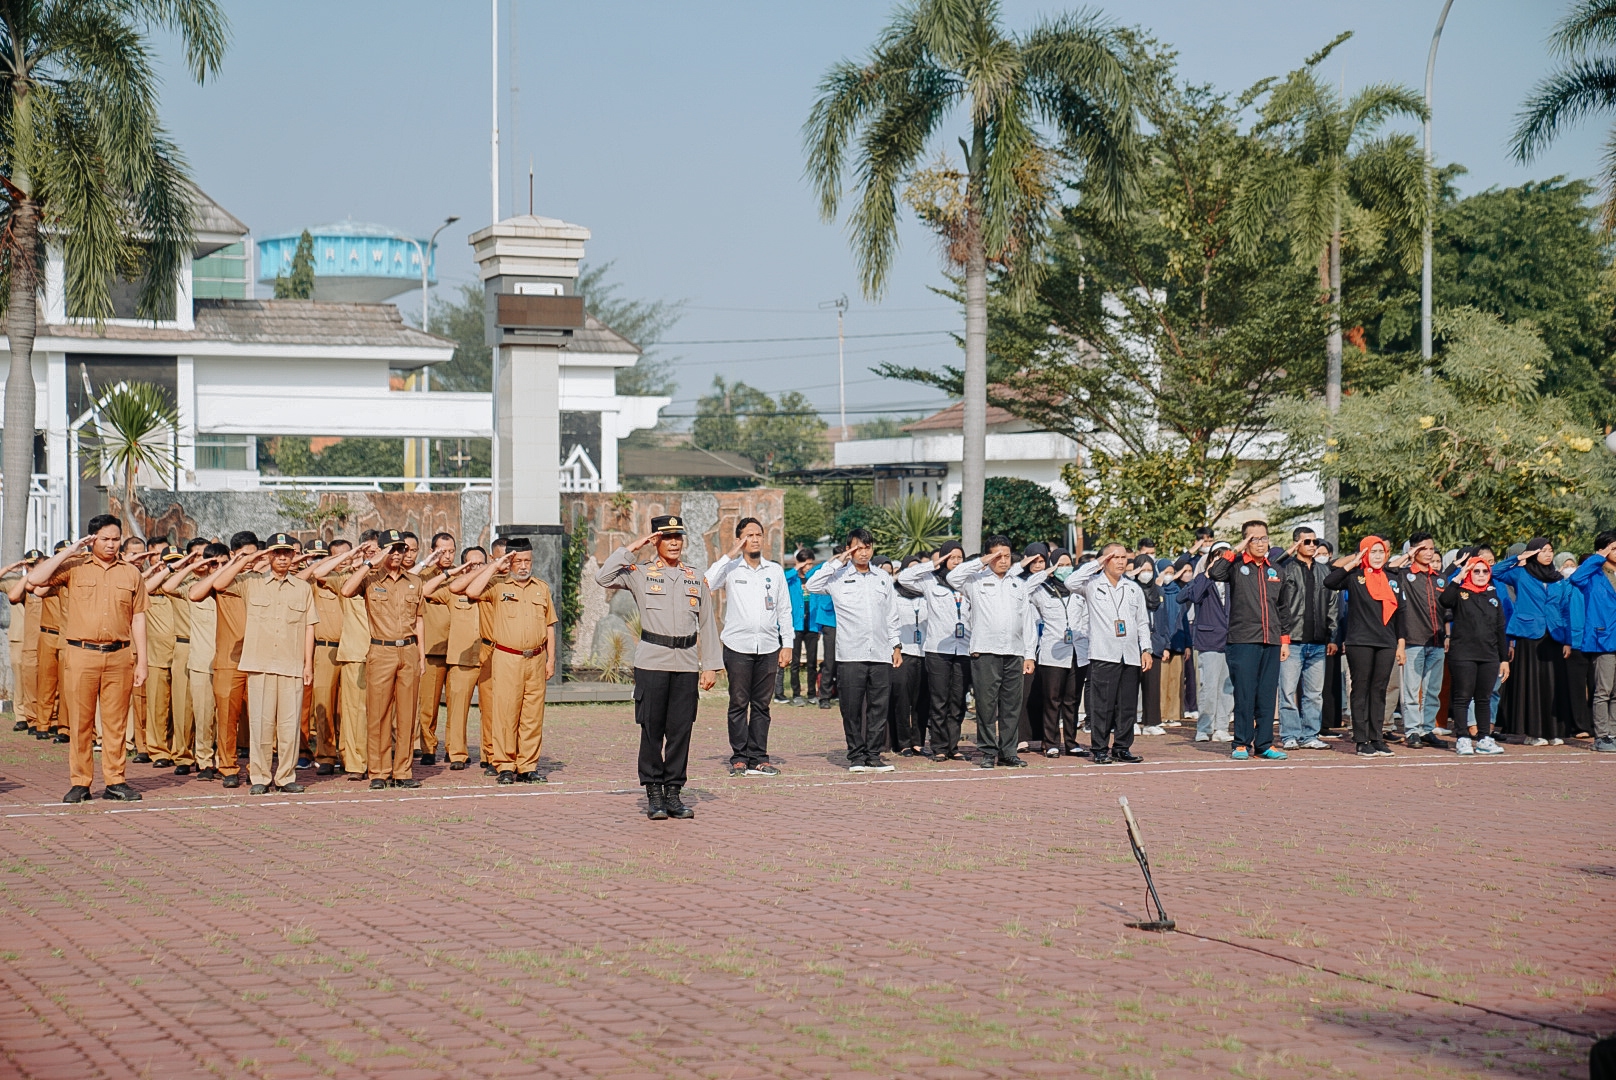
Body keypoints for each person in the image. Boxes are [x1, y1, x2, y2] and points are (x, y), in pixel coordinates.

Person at [595, 515, 722, 820]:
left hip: (686, 661)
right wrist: (635, 546)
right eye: (667, 537)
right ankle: (654, 792)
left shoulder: (695, 576)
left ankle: (674, 793)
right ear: (655, 540)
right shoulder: (639, 573)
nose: (675, 542)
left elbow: (707, 624)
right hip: (652, 661)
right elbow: (603, 577)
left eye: (678, 536)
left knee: (681, 729)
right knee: (652, 728)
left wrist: (711, 666)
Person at [28, 515, 150, 802]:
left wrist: (141, 660)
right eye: (104, 539)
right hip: (81, 654)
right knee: (81, 722)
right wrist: (70, 551)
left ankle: (115, 781)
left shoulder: (131, 573)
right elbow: (34, 580)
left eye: (115, 539)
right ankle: (80, 782)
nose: (111, 544)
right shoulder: (74, 567)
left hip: (119, 655)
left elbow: (139, 618)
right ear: (92, 539)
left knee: (115, 723)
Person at [195, 534, 318, 794]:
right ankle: (260, 777)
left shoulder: (302, 588)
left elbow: (309, 627)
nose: (282, 558)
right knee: (260, 725)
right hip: (259, 664)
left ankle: (285, 776)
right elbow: (219, 584)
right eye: (276, 553)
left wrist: (308, 664)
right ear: (269, 555)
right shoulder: (251, 583)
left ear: (293, 556)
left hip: (291, 664)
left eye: (286, 553)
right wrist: (248, 559)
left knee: (288, 727)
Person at [458, 537, 556, 784]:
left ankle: (527, 766)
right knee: (505, 714)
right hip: (506, 657)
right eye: (518, 561)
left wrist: (551, 659)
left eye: (527, 561)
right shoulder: (498, 586)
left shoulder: (540, 588)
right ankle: (504, 766)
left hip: (535, 658)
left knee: (532, 715)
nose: (524, 566)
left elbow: (550, 625)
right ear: (510, 562)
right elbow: (469, 591)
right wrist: (494, 565)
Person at [807, 528, 904, 772]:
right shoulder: (837, 577)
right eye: (857, 548)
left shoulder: (882, 579)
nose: (863, 553)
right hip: (851, 654)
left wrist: (896, 645)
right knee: (850, 707)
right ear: (849, 549)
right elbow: (811, 584)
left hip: (880, 652)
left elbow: (891, 615)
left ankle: (873, 755)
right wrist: (836, 562)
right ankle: (856, 756)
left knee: (878, 707)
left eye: (867, 547)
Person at [705, 517, 793, 777]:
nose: (754, 539)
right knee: (738, 703)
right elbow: (706, 583)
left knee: (762, 705)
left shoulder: (774, 570)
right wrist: (729, 554)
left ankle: (759, 757)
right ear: (740, 539)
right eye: (748, 535)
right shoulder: (731, 569)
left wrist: (786, 644)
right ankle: (739, 757)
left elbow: (784, 610)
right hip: (737, 646)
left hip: (767, 646)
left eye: (758, 534)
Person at [339, 529, 427, 790]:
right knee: (378, 714)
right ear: (381, 552)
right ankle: (378, 772)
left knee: (407, 714)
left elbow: (419, 620)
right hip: (381, 650)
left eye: (400, 549)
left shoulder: (415, 582)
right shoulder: (370, 579)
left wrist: (421, 656)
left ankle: (403, 772)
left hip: (409, 650)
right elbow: (345, 590)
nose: (397, 554)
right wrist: (369, 563)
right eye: (391, 549)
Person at [947, 537, 1044, 769]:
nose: (1003, 560)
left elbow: (1027, 621)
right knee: (986, 705)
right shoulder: (975, 581)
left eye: (1007, 556)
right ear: (989, 557)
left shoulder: (1018, 584)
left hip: (1014, 652)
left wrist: (1029, 654)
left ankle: (1009, 752)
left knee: (1012, 706)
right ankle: (988, 752)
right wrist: (982, 561)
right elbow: (952, 577)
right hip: (985, 652)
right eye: (997, 556)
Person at [1207, 521, 1290, 760]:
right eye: (1255, 539)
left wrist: (1284, 640)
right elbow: (1215, 573)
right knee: (1245, 692)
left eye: (1264, 538)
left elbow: (1283, 608)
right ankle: (1241, 742)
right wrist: (1237, 549)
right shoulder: (1235, 567)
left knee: (1266, 694)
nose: (1261, 544)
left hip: (1271, 640)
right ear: (1246, 542)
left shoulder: (1276, 570)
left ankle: (1264, 743)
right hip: (1243, 639)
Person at [1069, 543, 1152, 765]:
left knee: (1127, 705)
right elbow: (1070, 582)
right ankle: (1099, 748)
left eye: (1124, 557)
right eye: (1115, 557)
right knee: (1102, 704)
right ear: (1105, 560)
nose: (1121, 561)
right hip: (1104, 653)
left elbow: (1142, 622)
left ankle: (1122, 747)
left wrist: (1146, 649)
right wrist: (1096, 563)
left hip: (1130, 654)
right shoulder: (1092, 584)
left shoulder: (1132, 587)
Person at [189, 531, 259, 787]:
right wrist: (231, 565)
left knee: (258, 720)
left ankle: (256, 768)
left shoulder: (262, 581)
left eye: (252, 554)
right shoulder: (223, 580)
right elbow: (195, 594)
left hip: (258, 660)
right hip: (229, 660)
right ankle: (228, 768)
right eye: (243, 555)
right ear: (232, 555)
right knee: (227, 718)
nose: (249, 560)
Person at [1325, 536, 1402, 758]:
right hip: (1360, 641)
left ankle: (1377, 738)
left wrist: (1400, 642)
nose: (1378, 556)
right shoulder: (1354, 576)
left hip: (1386, 641)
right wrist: (1353, 562)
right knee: (1360, 689)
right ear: (1364, 553)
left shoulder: (1393, 577)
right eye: (1373, 552)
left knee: (1380, 690)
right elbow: (1330, 581)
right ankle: (1361, 740)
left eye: (1381, 552)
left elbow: (1401, 612)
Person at [897, 541, 973, 761]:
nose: (956, 561)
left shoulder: (968, 582)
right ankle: (939, 746)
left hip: (964, 648)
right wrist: (932, 564)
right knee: (939, 700)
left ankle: (953, 744)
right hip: (938, 649)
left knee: (958, 700)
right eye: (952, 557)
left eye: (960, 557)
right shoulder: (930, 581)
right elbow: (904, 578)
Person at [313, 535, 376, 779]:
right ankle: (355, 763)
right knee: (353, 712)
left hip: (383, 652)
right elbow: (318, 574)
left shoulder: (383, 578)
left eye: (373, 551)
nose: (368, 555)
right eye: (364, 551)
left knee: (379, 712)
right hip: (354, 653)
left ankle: (377, 761)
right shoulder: (344, 580)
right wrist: (350, 556)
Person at [1494, 537, 1566, 745]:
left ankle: (1552, 731)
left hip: (1553, 634)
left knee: (1551, 684)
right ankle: (1533, 733)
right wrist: (1518, 558)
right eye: (1543, 550)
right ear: (1533, 552)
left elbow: (1563, 607)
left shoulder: (1558, 578)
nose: (1548, 554)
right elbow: (1495, 572)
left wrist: (1568, 639)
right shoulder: (1521, 573)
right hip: (1528, 633)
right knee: (1531, 683)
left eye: (1550, 550)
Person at [1440, 555, 1510, 755]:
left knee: (1484, 698)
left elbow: (1499, 629)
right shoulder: (1461, 592)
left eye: (1485, 571)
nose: (1480, 575)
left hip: (1488, 655)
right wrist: (1459, 576)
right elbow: (1444, 600)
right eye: (1476, 571)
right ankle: (1462, 737)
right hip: (1463, 654)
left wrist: (1503, 659)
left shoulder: (1493, 596)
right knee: (1463, 696)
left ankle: (1484, 738)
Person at [1275, 527, 1337, 751]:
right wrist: (1283, 636)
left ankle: (1310, 734)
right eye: (1307, 541)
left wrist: (1332, 635)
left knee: (1314, 694)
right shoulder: (1285, 569)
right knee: (1288, 691)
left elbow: (1332, 604)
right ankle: (1290, 734)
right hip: (1292, 640)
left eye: (1315, 541)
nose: (1313, 545)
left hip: (1318, 641)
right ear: (1296, 544)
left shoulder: (1323, 570)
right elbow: (1272, 569)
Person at [425, 546, 486, 769]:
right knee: (458, 709)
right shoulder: (453, 590)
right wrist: (454, 573)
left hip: (488, 658)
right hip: (461, 659)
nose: (477, 568)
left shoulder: (494, 589)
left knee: (489, 711)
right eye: (472, 564)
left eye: (481, 564)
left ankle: (489, 755)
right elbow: (426, 590)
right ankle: (458, 754)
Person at [1025, 546, 1087, 758]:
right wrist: (1047, 572)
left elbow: (1086, 618)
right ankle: (1050, 742)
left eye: (1068, 564)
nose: (1065, 568)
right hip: (1053, 652)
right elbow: (1023, 590)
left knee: (1072, 700)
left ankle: (1071, 742)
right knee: (1052, 700)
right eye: (1060, 564)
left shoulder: (1079, 590)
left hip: (1078, 651)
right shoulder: (1041, 590)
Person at [1395, 532, 1450, 749]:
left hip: (1436, 640)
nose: (1429, 553)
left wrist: (1447, 635)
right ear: (1414, 550)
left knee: (1432, 689)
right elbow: (1389, 569)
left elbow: (1447, 610)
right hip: (1412, 640)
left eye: (1431, 548)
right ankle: (1412, 731)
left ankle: (1427, 729)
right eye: (1423, 549)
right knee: (1411, 689)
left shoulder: (1440, 578)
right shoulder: (1404, 574)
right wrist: (1407, 555)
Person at [1183, 542, 1234, 743]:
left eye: (1225, 558)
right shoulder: (1202, 580)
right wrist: (1207, 575)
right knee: (1209, 686)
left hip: (1231, 640)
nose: (1220, 561)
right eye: (1216, 556)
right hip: (1209, 640)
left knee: (1227, 687)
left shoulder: (1233, 581)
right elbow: (1190, 596)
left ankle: (1222, 726)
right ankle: (1204, 727)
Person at [413, 532, 457, 766]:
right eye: (442, 551)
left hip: (458, 648)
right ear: (432, 551)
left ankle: (454, 747)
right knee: (428, 704)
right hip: (431, 648)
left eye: (451, 551)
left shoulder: (462, 573)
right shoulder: (423, 575)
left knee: (456, 703)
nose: (447, 556)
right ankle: (428, 747)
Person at [1570, 531, 1616, 752]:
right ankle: (1602, 736)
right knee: (1603, 690)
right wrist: (1598, 557)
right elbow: (1574, 579)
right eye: (1613, 548)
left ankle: (1613, 733)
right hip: (1603, 639)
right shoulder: (1593, 574)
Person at [891, 555, 931, 756]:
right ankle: (903, 742)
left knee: (922, 700)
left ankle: (918, 740)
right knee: (902, 699)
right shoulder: (894, 595)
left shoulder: (927, 595)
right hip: (903, 652)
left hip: (924, 652)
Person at [785, 549, 818, 706]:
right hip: (796, 625)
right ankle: (796, 694)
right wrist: (796, 569)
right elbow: (782, 580)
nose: (808, 567)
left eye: (811, 564)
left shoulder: (814, 579)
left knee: (812, 662)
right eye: (806, 564)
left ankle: (812, 693)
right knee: (795, 662)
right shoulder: (792, 579)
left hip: (811, 625)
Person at [810, 547, 840, 709]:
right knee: (829, 661)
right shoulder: (827, 571)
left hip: (848, 622)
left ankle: (842, 692)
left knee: (845, 661)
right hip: (830, 621)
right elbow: (809, 577)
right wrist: (830, 562)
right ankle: (824, 696)